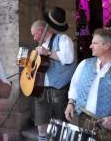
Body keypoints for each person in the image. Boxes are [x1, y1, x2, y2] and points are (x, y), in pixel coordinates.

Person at [65, 29, 111, 141]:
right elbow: (74, 85)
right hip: (84, 121)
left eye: (95, 43)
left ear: (107, 45)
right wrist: (71, 102)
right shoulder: (84, 64)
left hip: (109, 125)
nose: (90, 46)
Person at [30, 7, 76, 141]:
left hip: (58, 89)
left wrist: (48, 53)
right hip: (41, 89)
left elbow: (68, 58)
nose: (33, 37)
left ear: (40, 31)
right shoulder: (39, 47)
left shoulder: (63, 39)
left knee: (60, 125)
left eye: (34, 34)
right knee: (41, 123)